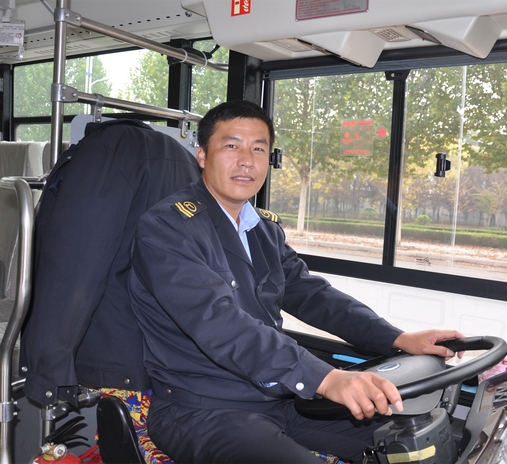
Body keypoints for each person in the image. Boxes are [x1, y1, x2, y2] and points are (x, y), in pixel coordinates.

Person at [129, 100, 464, 463]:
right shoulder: (167, 229)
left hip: (278, 399)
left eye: (259, 149)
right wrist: (325, 378)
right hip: (202, 409)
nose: (247, 160)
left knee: (414, 441)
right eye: (232, 146)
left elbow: (314, 296)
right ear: (202, 156)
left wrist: (397, 338)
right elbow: (220, 324)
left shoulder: (263, 230)